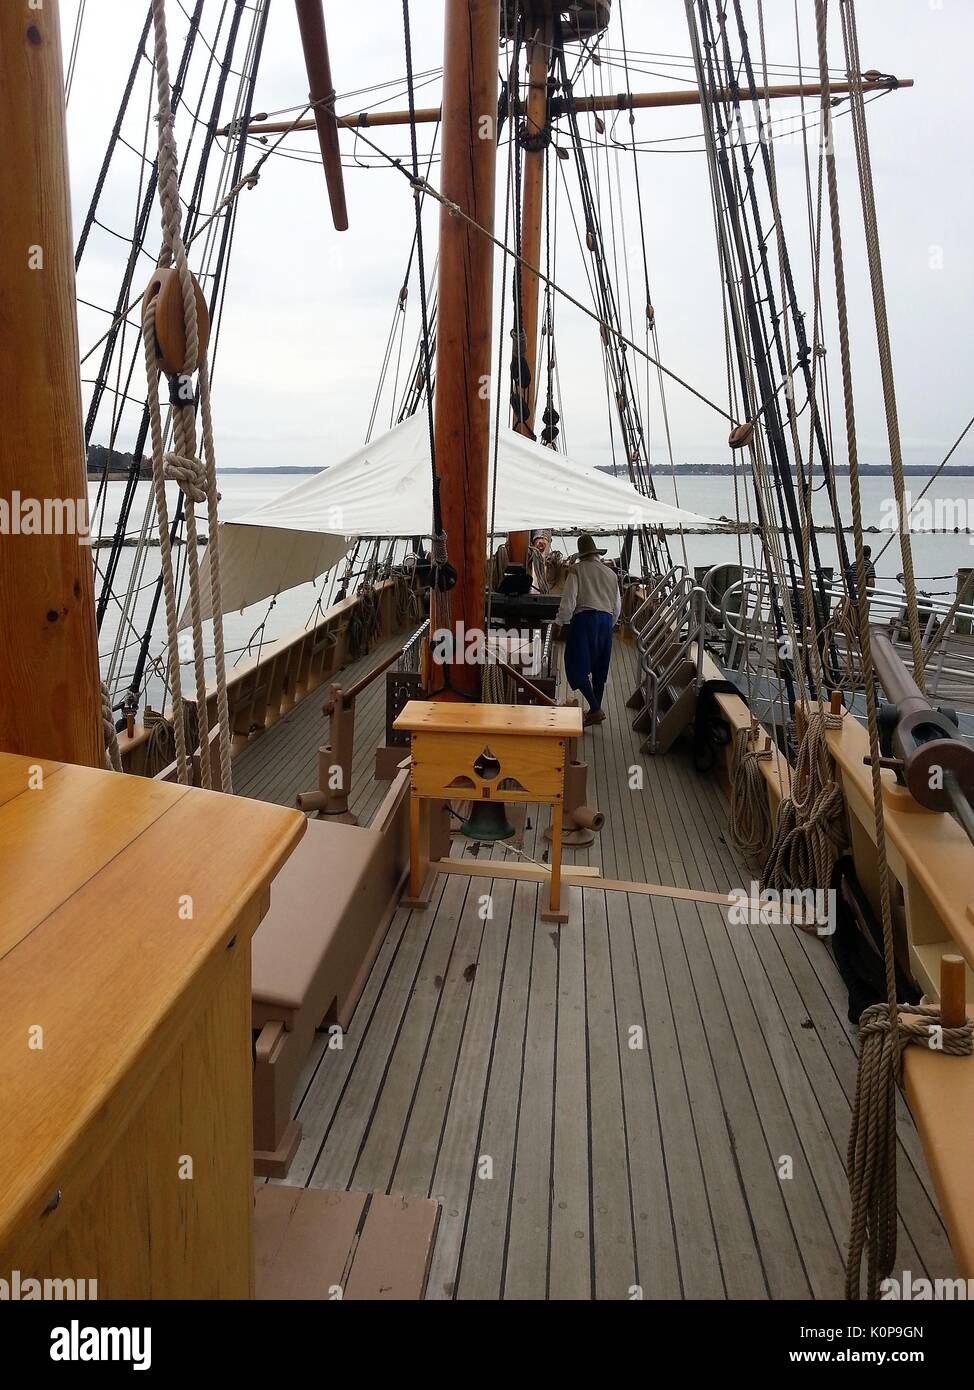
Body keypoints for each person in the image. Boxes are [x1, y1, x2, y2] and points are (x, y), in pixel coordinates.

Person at [554, 533, 621, 727]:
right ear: (596, 553)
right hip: (606, 622)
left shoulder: (577, 570)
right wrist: (608, 625)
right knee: (600, 669)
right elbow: (617, 607)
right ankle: (594, 710)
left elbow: (569, 600)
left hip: (585, 620)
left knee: (575, 664)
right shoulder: (611, 574)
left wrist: (560, 622)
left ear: (582, 554)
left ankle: (595, 707)